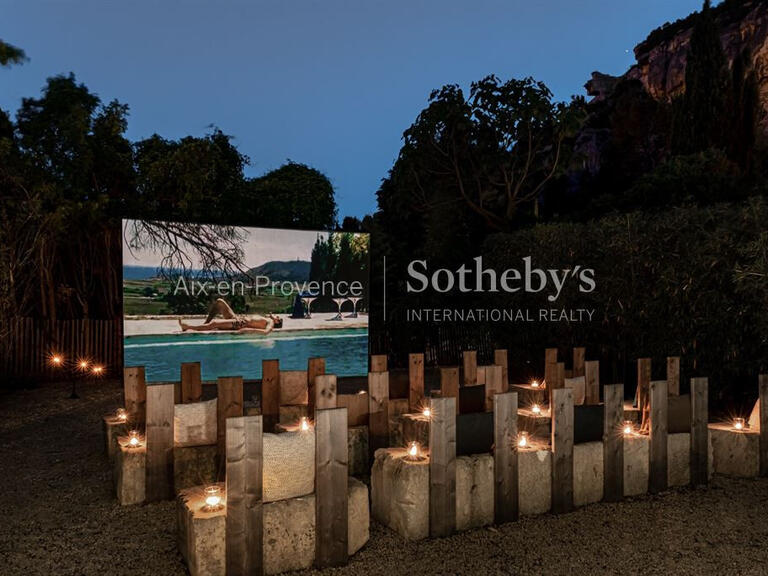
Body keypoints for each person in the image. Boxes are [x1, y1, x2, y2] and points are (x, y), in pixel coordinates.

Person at [178, 298, 283, 334]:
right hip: (238, 319)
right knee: (220, 302)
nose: (274, 315)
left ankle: (187, 327)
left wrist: (247, 330)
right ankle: (205, 325)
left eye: (277, 316)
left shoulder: (271, 322)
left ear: (277, 321)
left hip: (239, 324)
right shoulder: (267, 318)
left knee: (214, 323)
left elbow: (266, 332)